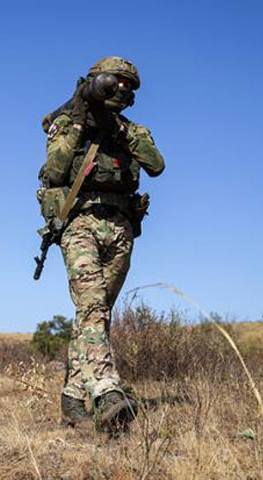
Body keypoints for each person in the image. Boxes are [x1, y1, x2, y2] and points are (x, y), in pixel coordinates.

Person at [40, 56, 165, 432]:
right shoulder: (68, 122)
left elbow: (155, 165)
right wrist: (80, 119)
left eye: (129, 85)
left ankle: (74, 397)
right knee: (92, 305)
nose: (122, 90)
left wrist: (118, 129)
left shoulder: (133, 130)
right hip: (80, 222)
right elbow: (55, 171)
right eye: (116, 82)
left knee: (96, 314)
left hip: (122, 227)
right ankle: (108, 390)